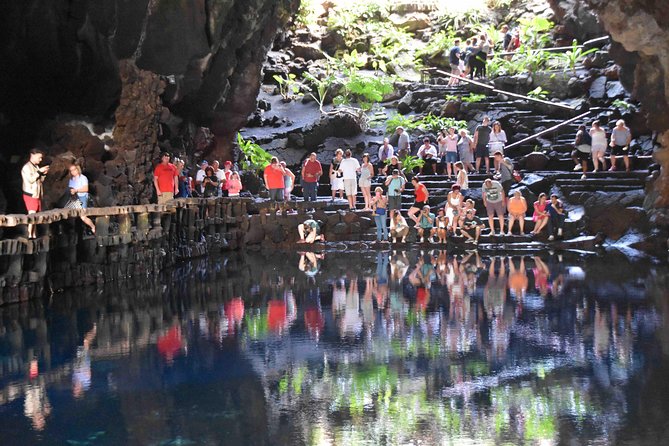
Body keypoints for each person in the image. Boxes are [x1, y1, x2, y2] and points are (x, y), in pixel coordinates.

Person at [68, 164, 96, 234]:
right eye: (71, 171)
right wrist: (72, 192)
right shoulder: (71, 180)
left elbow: (86, 189)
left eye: (74, 169)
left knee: (83, 217)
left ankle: (93, 226)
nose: (73, 172)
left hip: (83, 197)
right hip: (74, 198)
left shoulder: (83, 178)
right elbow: (71, 189)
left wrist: (76, 190)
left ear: (77, 169)